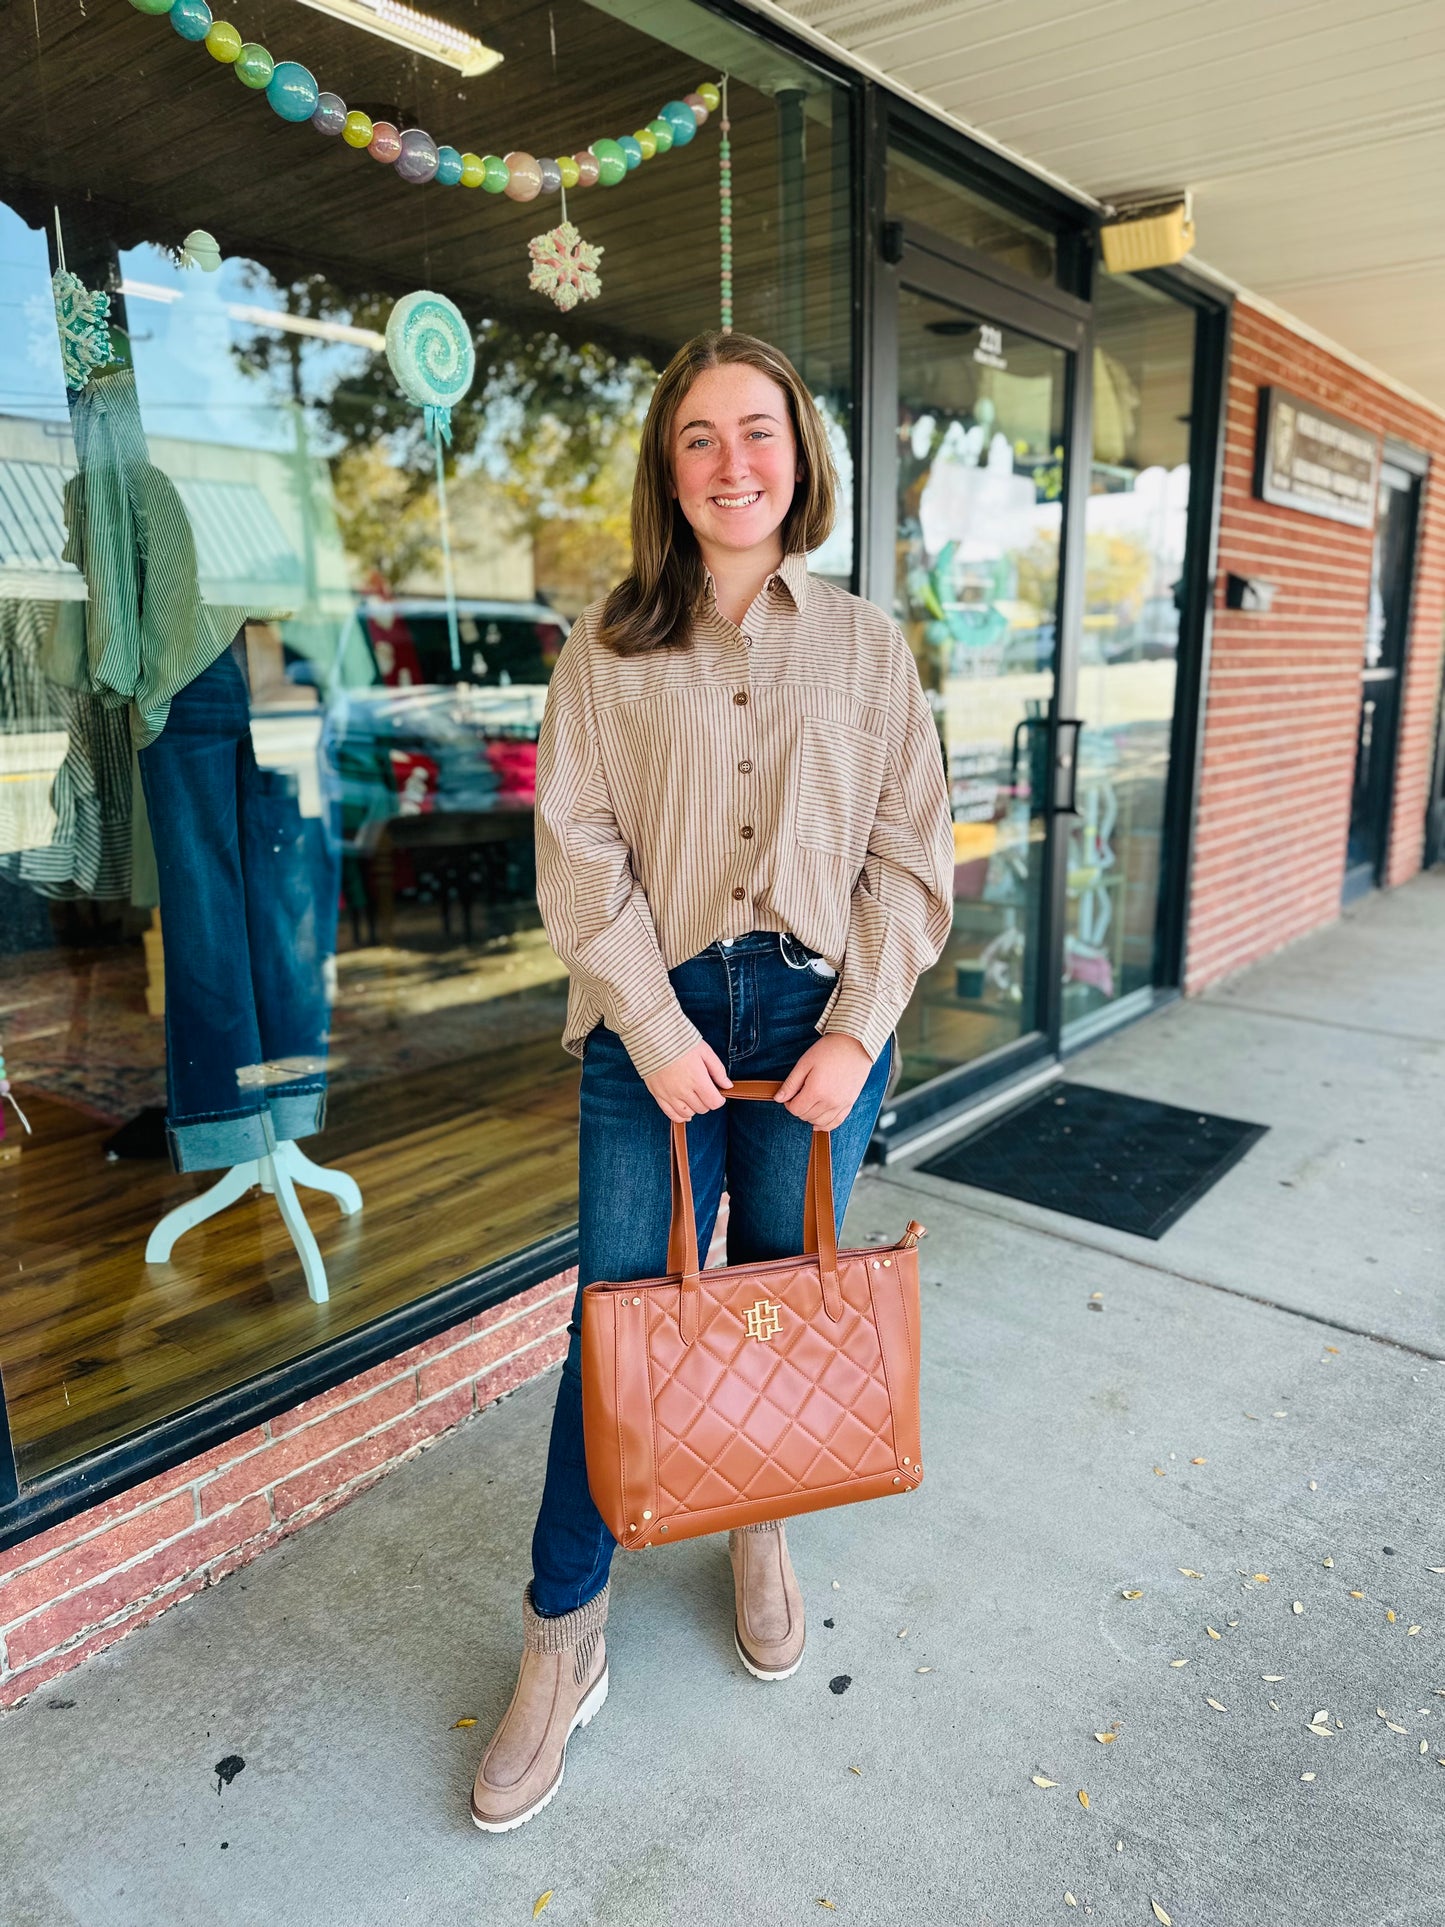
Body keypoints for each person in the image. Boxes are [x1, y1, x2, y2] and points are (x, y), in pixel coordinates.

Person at [470, 330, 954, 1832]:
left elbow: (905, 852)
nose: (732, 462)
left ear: (799, 454)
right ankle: (564, 1637)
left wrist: (857, 1030)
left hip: (816, 1024)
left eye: (758, 432)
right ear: (666, 470)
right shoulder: (605, 648)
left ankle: (756, 1530)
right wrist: (650, 1026)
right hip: (653, 1027)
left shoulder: (868, 647)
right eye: (699, 437)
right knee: (614, 1322)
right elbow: (578, 855)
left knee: (783, 1303)